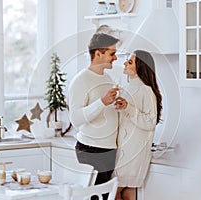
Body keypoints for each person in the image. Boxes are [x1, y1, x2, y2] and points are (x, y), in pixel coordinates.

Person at [68, 33, 128, 198]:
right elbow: (76, 119)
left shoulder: (108, 78)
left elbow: (104, 112)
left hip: (109, 149)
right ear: (98, 54)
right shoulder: (80, 80)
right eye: (112, 53)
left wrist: (117, 105)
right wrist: (102, 102)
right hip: (90, 149)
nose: (115, 58)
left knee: (103, 197)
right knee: (93, 197)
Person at [112, 50, 163, 200]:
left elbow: (150, 122)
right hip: (125, 149)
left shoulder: (146, 90)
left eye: (130, 62)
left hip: (133, 152)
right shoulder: (128, 88)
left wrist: (128, 107)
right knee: (127, 192)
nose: (124, 63)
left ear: (141, 67)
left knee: (114, 190)